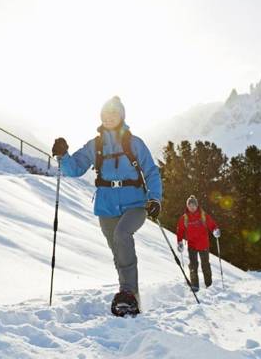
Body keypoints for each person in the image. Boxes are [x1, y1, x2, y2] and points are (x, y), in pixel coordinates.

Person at [51, 96, 162, 316]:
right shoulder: (96, 145)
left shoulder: (134, 143)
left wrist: (155, 198)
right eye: (106, 114)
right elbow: (75, 169)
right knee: (117, 251)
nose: (110, 117)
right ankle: (129, 296)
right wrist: (63, 155)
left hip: (135, 204)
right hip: (106, 206)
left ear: (122, 116)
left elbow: (151, 171)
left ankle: (128, 293)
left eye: (114, 113)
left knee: (122, 235)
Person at [176, 195, 221, 292]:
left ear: (197, 205)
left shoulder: (203, 215)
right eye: (190, 205)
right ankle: (195, 286)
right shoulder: (184, 218)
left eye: (194, 205)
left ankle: (209, 285)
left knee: (205, 265)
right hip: (192, 245)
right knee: (193, 265)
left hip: (204, 244)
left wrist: (215, 230)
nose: (192, 207)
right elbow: (180, 231)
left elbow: (212, 224)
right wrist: (179, 242)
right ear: (187, 206)